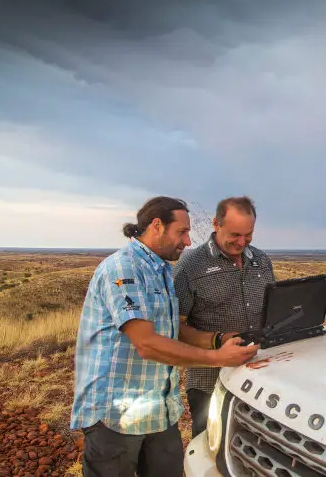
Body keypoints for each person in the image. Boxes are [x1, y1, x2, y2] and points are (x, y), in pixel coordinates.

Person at [70, 196, 259, 477]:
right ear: (157, 226)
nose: (187, 241)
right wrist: (216, 358)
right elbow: (146, 343)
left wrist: (217, 340)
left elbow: (172, 331)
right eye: (181, 232)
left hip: (158, 410)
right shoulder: (124, 268)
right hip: (116, 412)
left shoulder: (160, 270)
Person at [173, 195, 275, 438]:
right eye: (235, 235)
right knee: (211, 446)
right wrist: (218, 341)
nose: (242, 242)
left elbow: (272, 310)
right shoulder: (190, 265)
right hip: (210, 382)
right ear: (216, 224)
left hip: (260, 377)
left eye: (248, 234)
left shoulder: (262, 260)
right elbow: (175, 327)